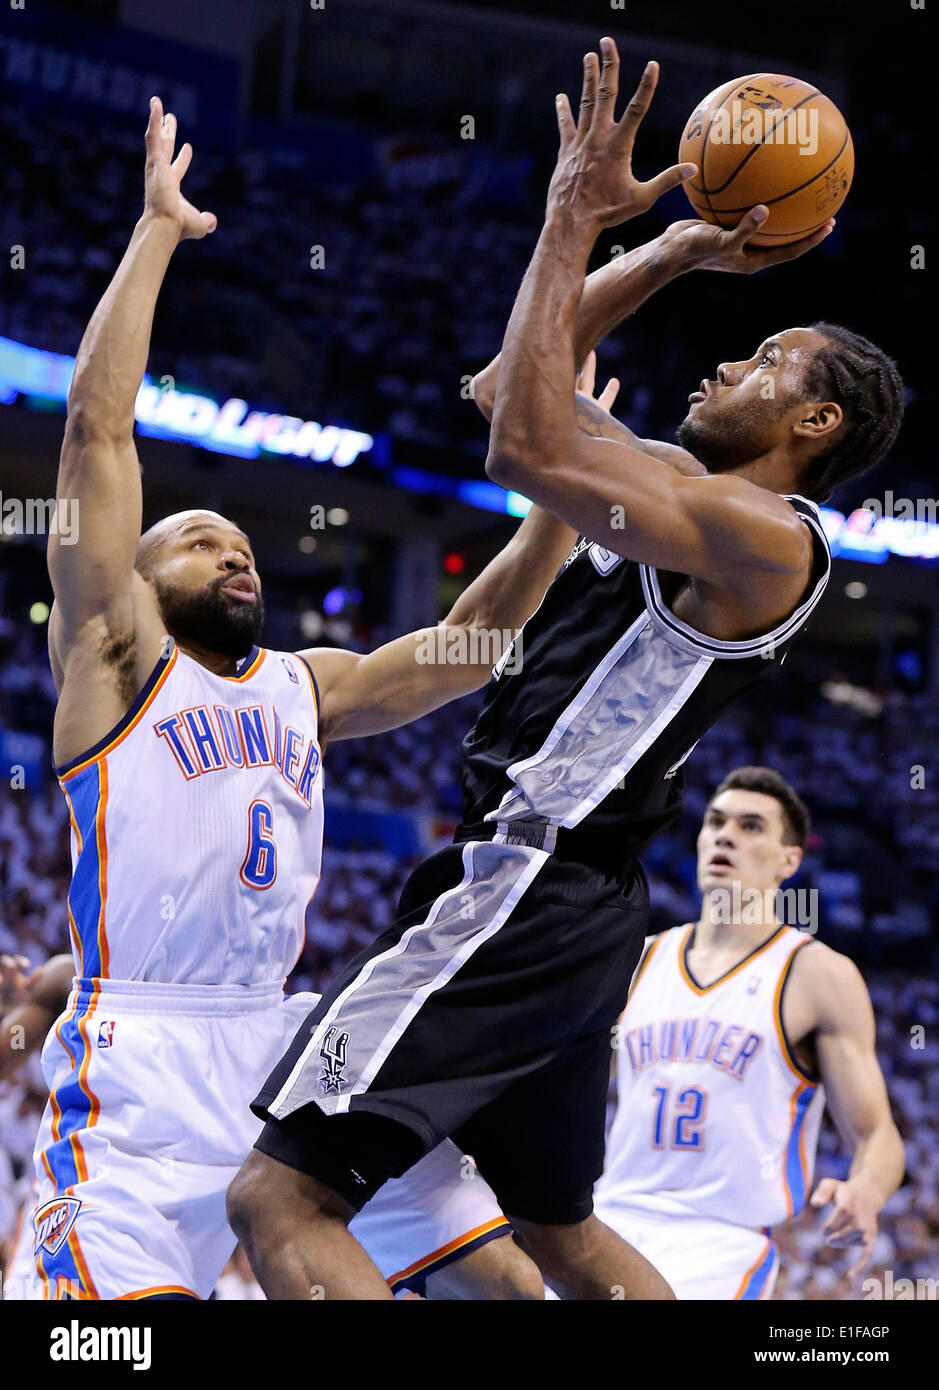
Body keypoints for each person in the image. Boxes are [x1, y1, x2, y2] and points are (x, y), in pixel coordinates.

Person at [228, 44, 903, 1300]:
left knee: (278, 1194)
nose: (721, 365)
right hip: (574, 907)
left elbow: (521, 433)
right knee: (561, 1234)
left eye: (763, 364)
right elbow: (508, 382)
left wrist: (571, 215)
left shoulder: (769, 543)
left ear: (815, 428)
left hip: (525, 885)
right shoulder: (672, 486)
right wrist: (664, 252)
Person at [18, 95, 586, 1301]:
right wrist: (159, 230)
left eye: (244, 546)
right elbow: (93, 434)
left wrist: (564, 494)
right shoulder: (115, 655)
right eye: (200, 541)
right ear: (137, 573)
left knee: (504, 1282)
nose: (237, 556)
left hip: (285, 1037)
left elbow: (471, 643)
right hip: (145, 1058)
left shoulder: (302, 687)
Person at [594, 766, 906, 1299]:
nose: (726, 835)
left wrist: (867, 1189)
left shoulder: (817, 974)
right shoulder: (640, 958)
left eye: (751, 826)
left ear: (790, 859)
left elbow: (876, 1133)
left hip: (719, 1243)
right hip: (606, 1221)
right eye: (715, 822)